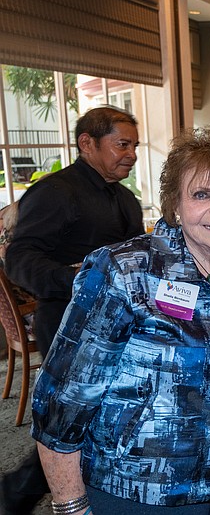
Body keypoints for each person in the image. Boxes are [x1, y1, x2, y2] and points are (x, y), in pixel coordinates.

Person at [31, 126, 210, 514]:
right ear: (176, 205)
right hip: (144, 491)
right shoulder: (128, 271)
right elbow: (63, 399)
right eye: (201, 194)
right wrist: (69, 502)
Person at [1, 106, 144, 515]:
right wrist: (80, 279)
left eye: (133, 144)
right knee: (75, 423)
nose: (131, 153)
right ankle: (16, 495)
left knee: (95, 420)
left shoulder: (124, 198)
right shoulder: (55, 192)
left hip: (119, 325)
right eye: (122, 144)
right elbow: (20, 259)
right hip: (66, 321)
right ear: (87, 144)